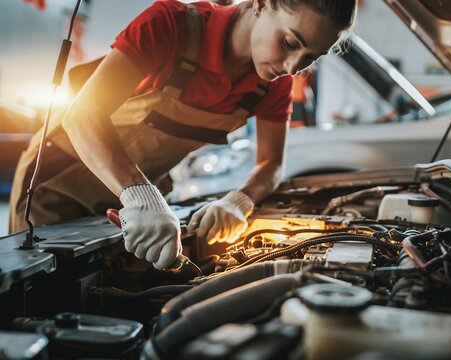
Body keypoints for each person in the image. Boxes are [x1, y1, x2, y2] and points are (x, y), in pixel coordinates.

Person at [9, 0, 357, 270]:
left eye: (311, 58)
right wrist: (140, 195)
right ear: (261, 3)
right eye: (289, 42)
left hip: (142, 191)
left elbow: (270, 165)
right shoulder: (170, 25)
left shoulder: (273, 86)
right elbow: (83, 116)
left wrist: (238, 202)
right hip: (56, 183)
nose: (292, 67)